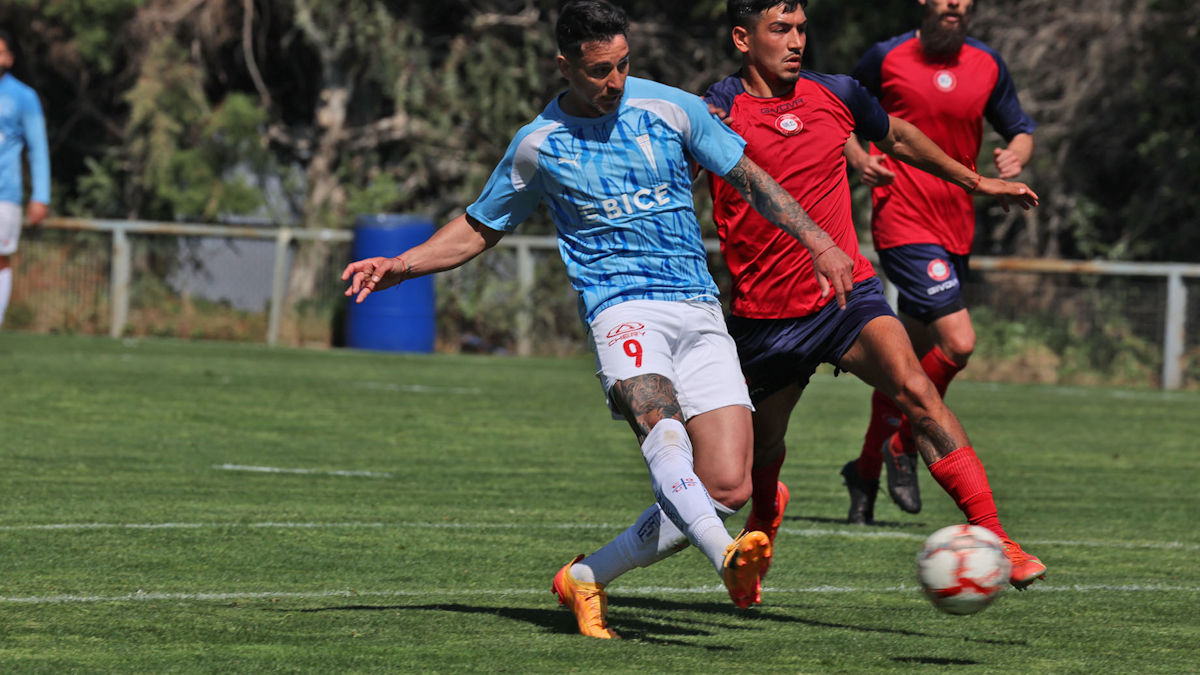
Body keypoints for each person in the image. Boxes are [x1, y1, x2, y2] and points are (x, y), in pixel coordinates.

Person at [342, 0, 856, 639]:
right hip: (622, 311)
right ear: (564, 65)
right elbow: (479, 227)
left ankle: (585, 577)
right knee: (660, 427)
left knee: (726, 482)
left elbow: (752, 179)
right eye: (597, 71)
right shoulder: (538, 145)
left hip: (696, 307)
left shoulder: (671, 108)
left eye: (621, 66)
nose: (613, 82)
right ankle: (724, 552)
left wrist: (820, 242)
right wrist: (403, 265)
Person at [702, 0, 1045, 593]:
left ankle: (996, 534)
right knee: (764, 447)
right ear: (742, 38)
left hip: (846, 299)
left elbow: (900, 135)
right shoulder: (716, 109)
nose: (795, 41)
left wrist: (975, 179)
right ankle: (763, 522)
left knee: (916, 390)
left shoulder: (836, 93)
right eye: (779, 29)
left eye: (801, 29)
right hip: (765, 318)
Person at [843, 0, 1036, 522]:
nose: (955, 3)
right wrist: (860, 157)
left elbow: (1019, 128)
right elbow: (838, 114)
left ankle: (863, 471)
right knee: (960, 341)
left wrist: (1017, 153)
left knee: (904, 363)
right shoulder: (886, 58)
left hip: (957, 229)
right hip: (903, 222)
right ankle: (905, 444)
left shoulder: (988, 64)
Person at [0, 29, 50, 329]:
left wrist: (40, 195)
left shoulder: (23, 97)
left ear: (9, 58)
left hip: (4, 194)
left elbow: (38, 148)